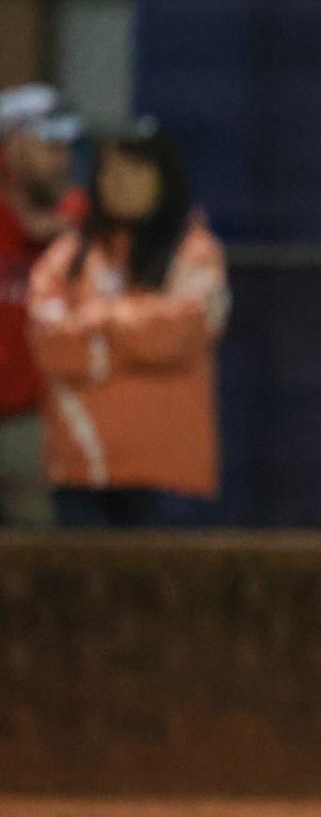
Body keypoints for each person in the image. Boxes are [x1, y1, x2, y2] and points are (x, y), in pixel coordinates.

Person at [27, 122, 228, 526]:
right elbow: (48, 340)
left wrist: (98, 325)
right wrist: (130, 332)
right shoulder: (69, 257)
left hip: (166, 475)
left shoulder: (194, 251)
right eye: (109, 172)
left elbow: (180, 331)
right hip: (82, 471)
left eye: (135, 172)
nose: (119, 184)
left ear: (162, 179)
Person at [0, 84, 85, 524]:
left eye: (65, 147)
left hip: (38, 425)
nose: (63, 160)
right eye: (48, 146)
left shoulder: (85, 222)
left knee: (41, 563)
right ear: (11, 148)